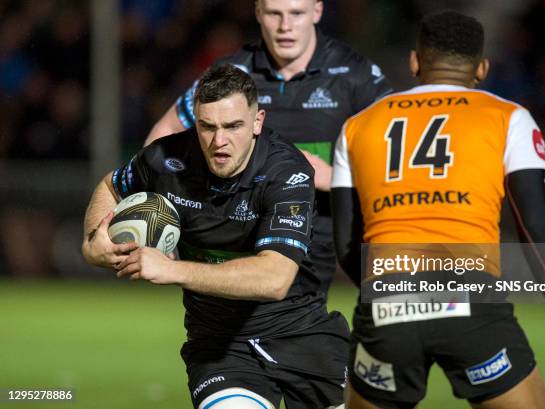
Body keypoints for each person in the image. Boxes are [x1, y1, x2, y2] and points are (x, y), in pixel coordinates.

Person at [331, 11, 545, 409]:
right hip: (472, 303)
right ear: (482, 68)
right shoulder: (509, 118)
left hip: (387, 306)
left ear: (415, 62)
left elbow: (346, 242)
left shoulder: (357, 125)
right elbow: (535, 224)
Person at [82, 64, 349, 409]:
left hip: (301, 333)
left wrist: (171, 270)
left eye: (233, 126)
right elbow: (111, 185)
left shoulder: (288, 173)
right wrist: (93, 241)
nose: (218, 141)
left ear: (257, 121)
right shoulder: (167, 158)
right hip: (221, 346)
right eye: (207, 127)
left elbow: (275, 278)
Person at [146, 0, 393, 297]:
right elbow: (163, 135)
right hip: (241, 230)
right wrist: (164, 219)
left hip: (323, 233)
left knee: (392, 312)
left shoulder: (355, 74)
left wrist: (334, 175)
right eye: (275, 13)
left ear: (317, 11)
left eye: (296, 14)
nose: (285, 26)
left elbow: (397, 153)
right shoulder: (234, 73)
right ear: (258, 13)